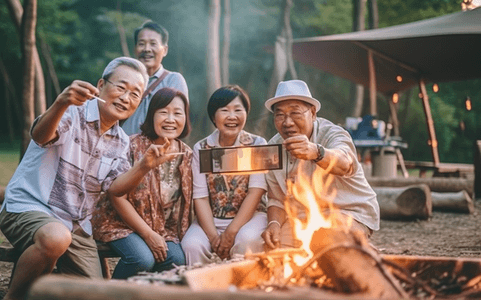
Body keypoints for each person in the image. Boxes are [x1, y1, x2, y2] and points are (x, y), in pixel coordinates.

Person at [0, 57, 148, 300]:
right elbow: (40, 136)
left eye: (135, 93)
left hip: (76, 226)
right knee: (56, 238)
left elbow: (115, 189)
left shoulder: (121, 141)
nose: (125, 97)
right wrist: (61, 102)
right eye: (121, 87)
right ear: (100, 85)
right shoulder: (72, 113)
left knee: (94, 294)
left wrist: (144, 167)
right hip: (30, 207)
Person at [260, 80, 380, 250]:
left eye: (295, 113)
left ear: (313, 113)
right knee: (271, 252)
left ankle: (362, 252)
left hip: (348, 212)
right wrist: (273, 224)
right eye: (280, 115)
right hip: (301, 219)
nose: (287, 122)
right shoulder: (274, 148)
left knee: (326, 243)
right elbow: (276, 199)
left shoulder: (332, 133)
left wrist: (317, 152)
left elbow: (346, 163)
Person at [92, 87, 193, 279]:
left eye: (177, 113)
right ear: (151, 115)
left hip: (163, 229)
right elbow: (116, 196)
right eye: (163, 112)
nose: (170, 119)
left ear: (185, 118)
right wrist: (148, 234)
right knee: (142, 259)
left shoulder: (187, 155)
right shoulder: (130, 145)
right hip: (120, 222)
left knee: (176, 260)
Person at [181, 85, 267, 265]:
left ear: (246, 113)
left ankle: (242, 290)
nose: (232, 116)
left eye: (238, 110)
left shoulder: (257, 144)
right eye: (225, 110)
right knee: (191, 246)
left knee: (246, 240)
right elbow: (201, 197)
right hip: (211, 219)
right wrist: (214, 237)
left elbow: (255, 192)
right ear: (214, 116)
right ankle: (201, 291)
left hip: (251, 218)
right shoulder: (202, 148)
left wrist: (231, 232)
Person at [122, 21, 189, 135]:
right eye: (141, 43)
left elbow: (177, 121)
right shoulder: (124, 79)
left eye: (153, 44)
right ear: (135, 49)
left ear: (165, 50)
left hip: (157, 150)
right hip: (120, 148)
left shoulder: (174, 80)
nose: (147, 49)